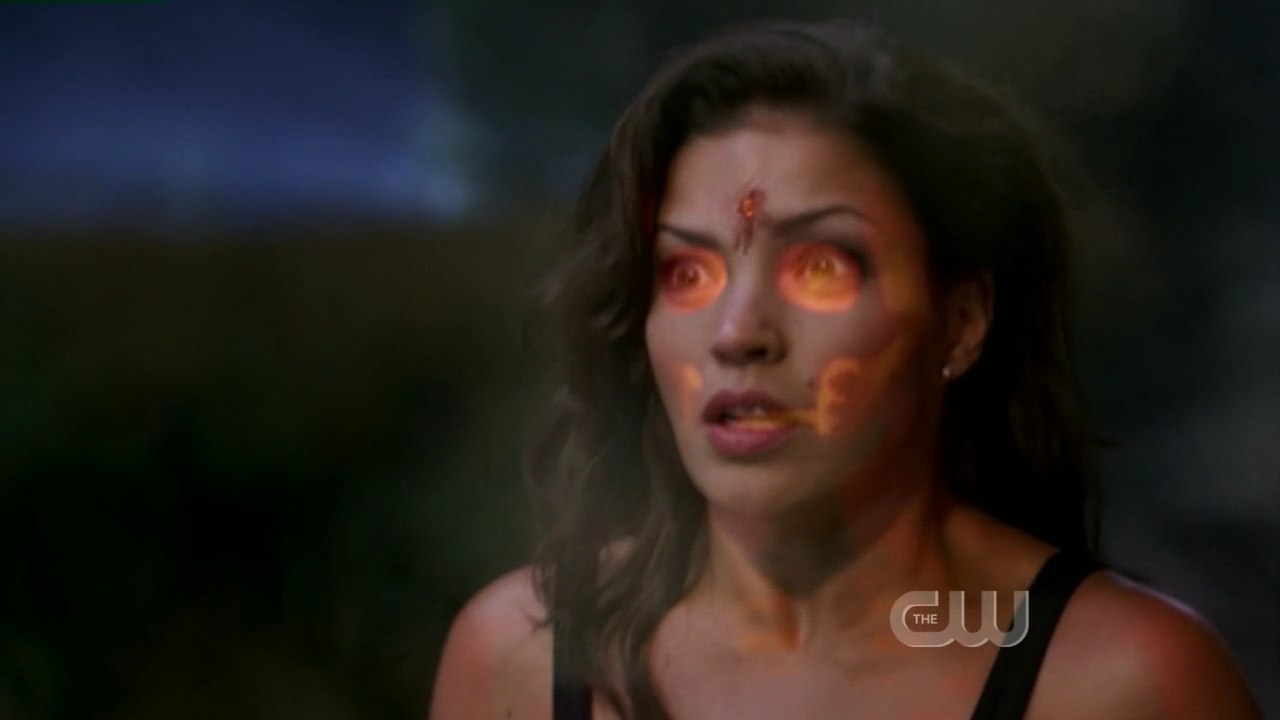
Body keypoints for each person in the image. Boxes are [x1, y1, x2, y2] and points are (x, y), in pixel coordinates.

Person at [430, 19, 1263, 720]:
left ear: (960, 322)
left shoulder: (1125, 682)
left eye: (821, 268)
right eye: (688, 273)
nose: (738, 334)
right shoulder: (519, 657)